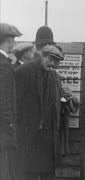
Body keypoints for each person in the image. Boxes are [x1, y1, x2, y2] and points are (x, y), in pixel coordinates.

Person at [15, 45, 64, 180]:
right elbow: (15, 103)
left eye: (56, 61)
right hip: (29, 136)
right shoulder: (24, 71)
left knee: (47, 173)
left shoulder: (51, 74)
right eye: (51, 59)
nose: (53, 64)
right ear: (42, 56)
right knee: (28, 173)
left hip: (47, 138)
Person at [0, 22, 22, 180]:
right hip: (4, 126)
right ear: (7, 40)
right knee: (5, 165)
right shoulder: (3, 64)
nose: (14, 43)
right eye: (13, 40)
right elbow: (3, 97)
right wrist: (9, 122)